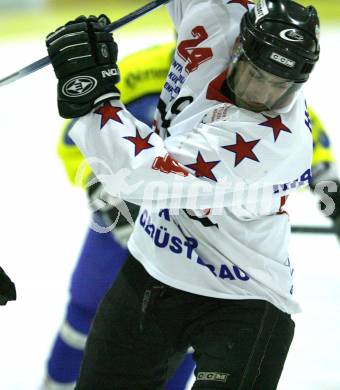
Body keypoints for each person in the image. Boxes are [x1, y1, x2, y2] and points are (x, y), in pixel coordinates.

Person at [46, 0, 320, 388]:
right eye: (256, 74)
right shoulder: (215, 18)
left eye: (281, 85)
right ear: (239, 47)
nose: (263, 94)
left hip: (241, 298)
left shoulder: (276, 142)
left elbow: (138, 175)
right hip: (152, 268)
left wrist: (92, 92)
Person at [42, 43, 195, 390]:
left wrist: (327, 183)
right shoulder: (138, 70)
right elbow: (75, 140)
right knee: (84, 312)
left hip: (196, 238)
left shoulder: (247, 79)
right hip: (120, 223)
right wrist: (108, 198)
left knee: (185, 331)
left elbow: (290, 137)